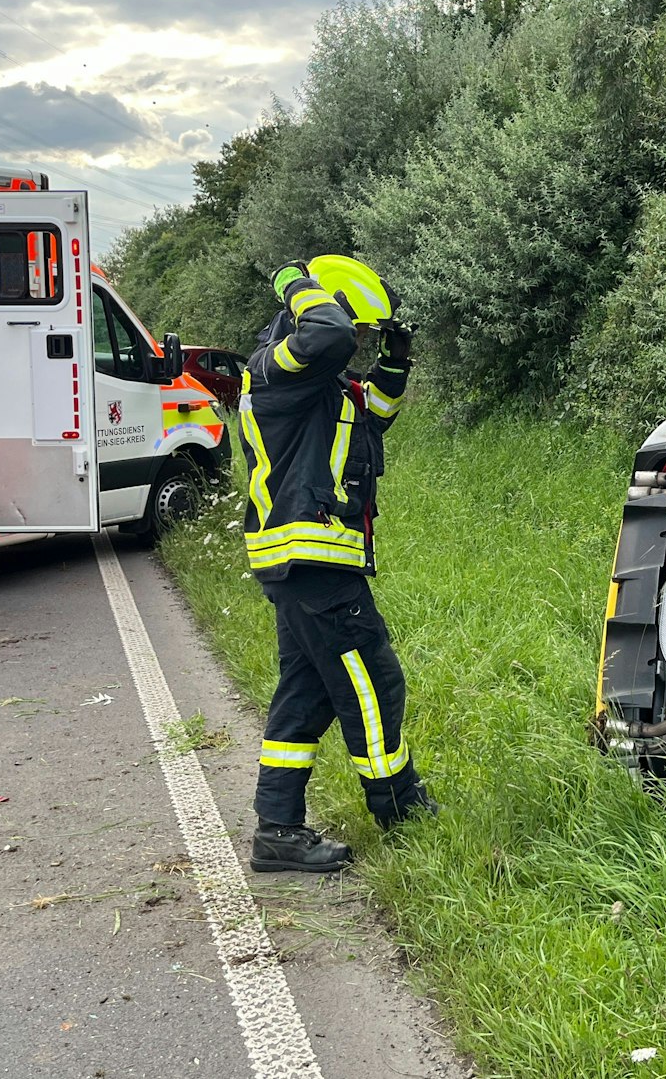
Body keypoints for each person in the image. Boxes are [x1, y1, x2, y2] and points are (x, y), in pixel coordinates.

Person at [240, 254, 435, 873]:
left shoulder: (321, 389)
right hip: (312, 558)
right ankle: (399, 806)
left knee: (308, 692)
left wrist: (395, 359)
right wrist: (295, 279)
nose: (355, 344)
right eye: (356, 330)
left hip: (309, 563)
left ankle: (277, 829)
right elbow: (322, 333)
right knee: (374, 684)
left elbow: (373, 413)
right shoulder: (275, 371)